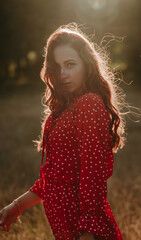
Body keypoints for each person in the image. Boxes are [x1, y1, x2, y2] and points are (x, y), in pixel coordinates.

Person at [0, 22, 132, 240]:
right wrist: (16, 207)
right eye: (57, 66)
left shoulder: (88, 103)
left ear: (87, 65)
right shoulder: (62, 110)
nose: (62, 74)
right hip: (66, 227)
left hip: (85, 229)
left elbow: (92, 173)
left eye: (70, 64)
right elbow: (55, 175)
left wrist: (89, 232)